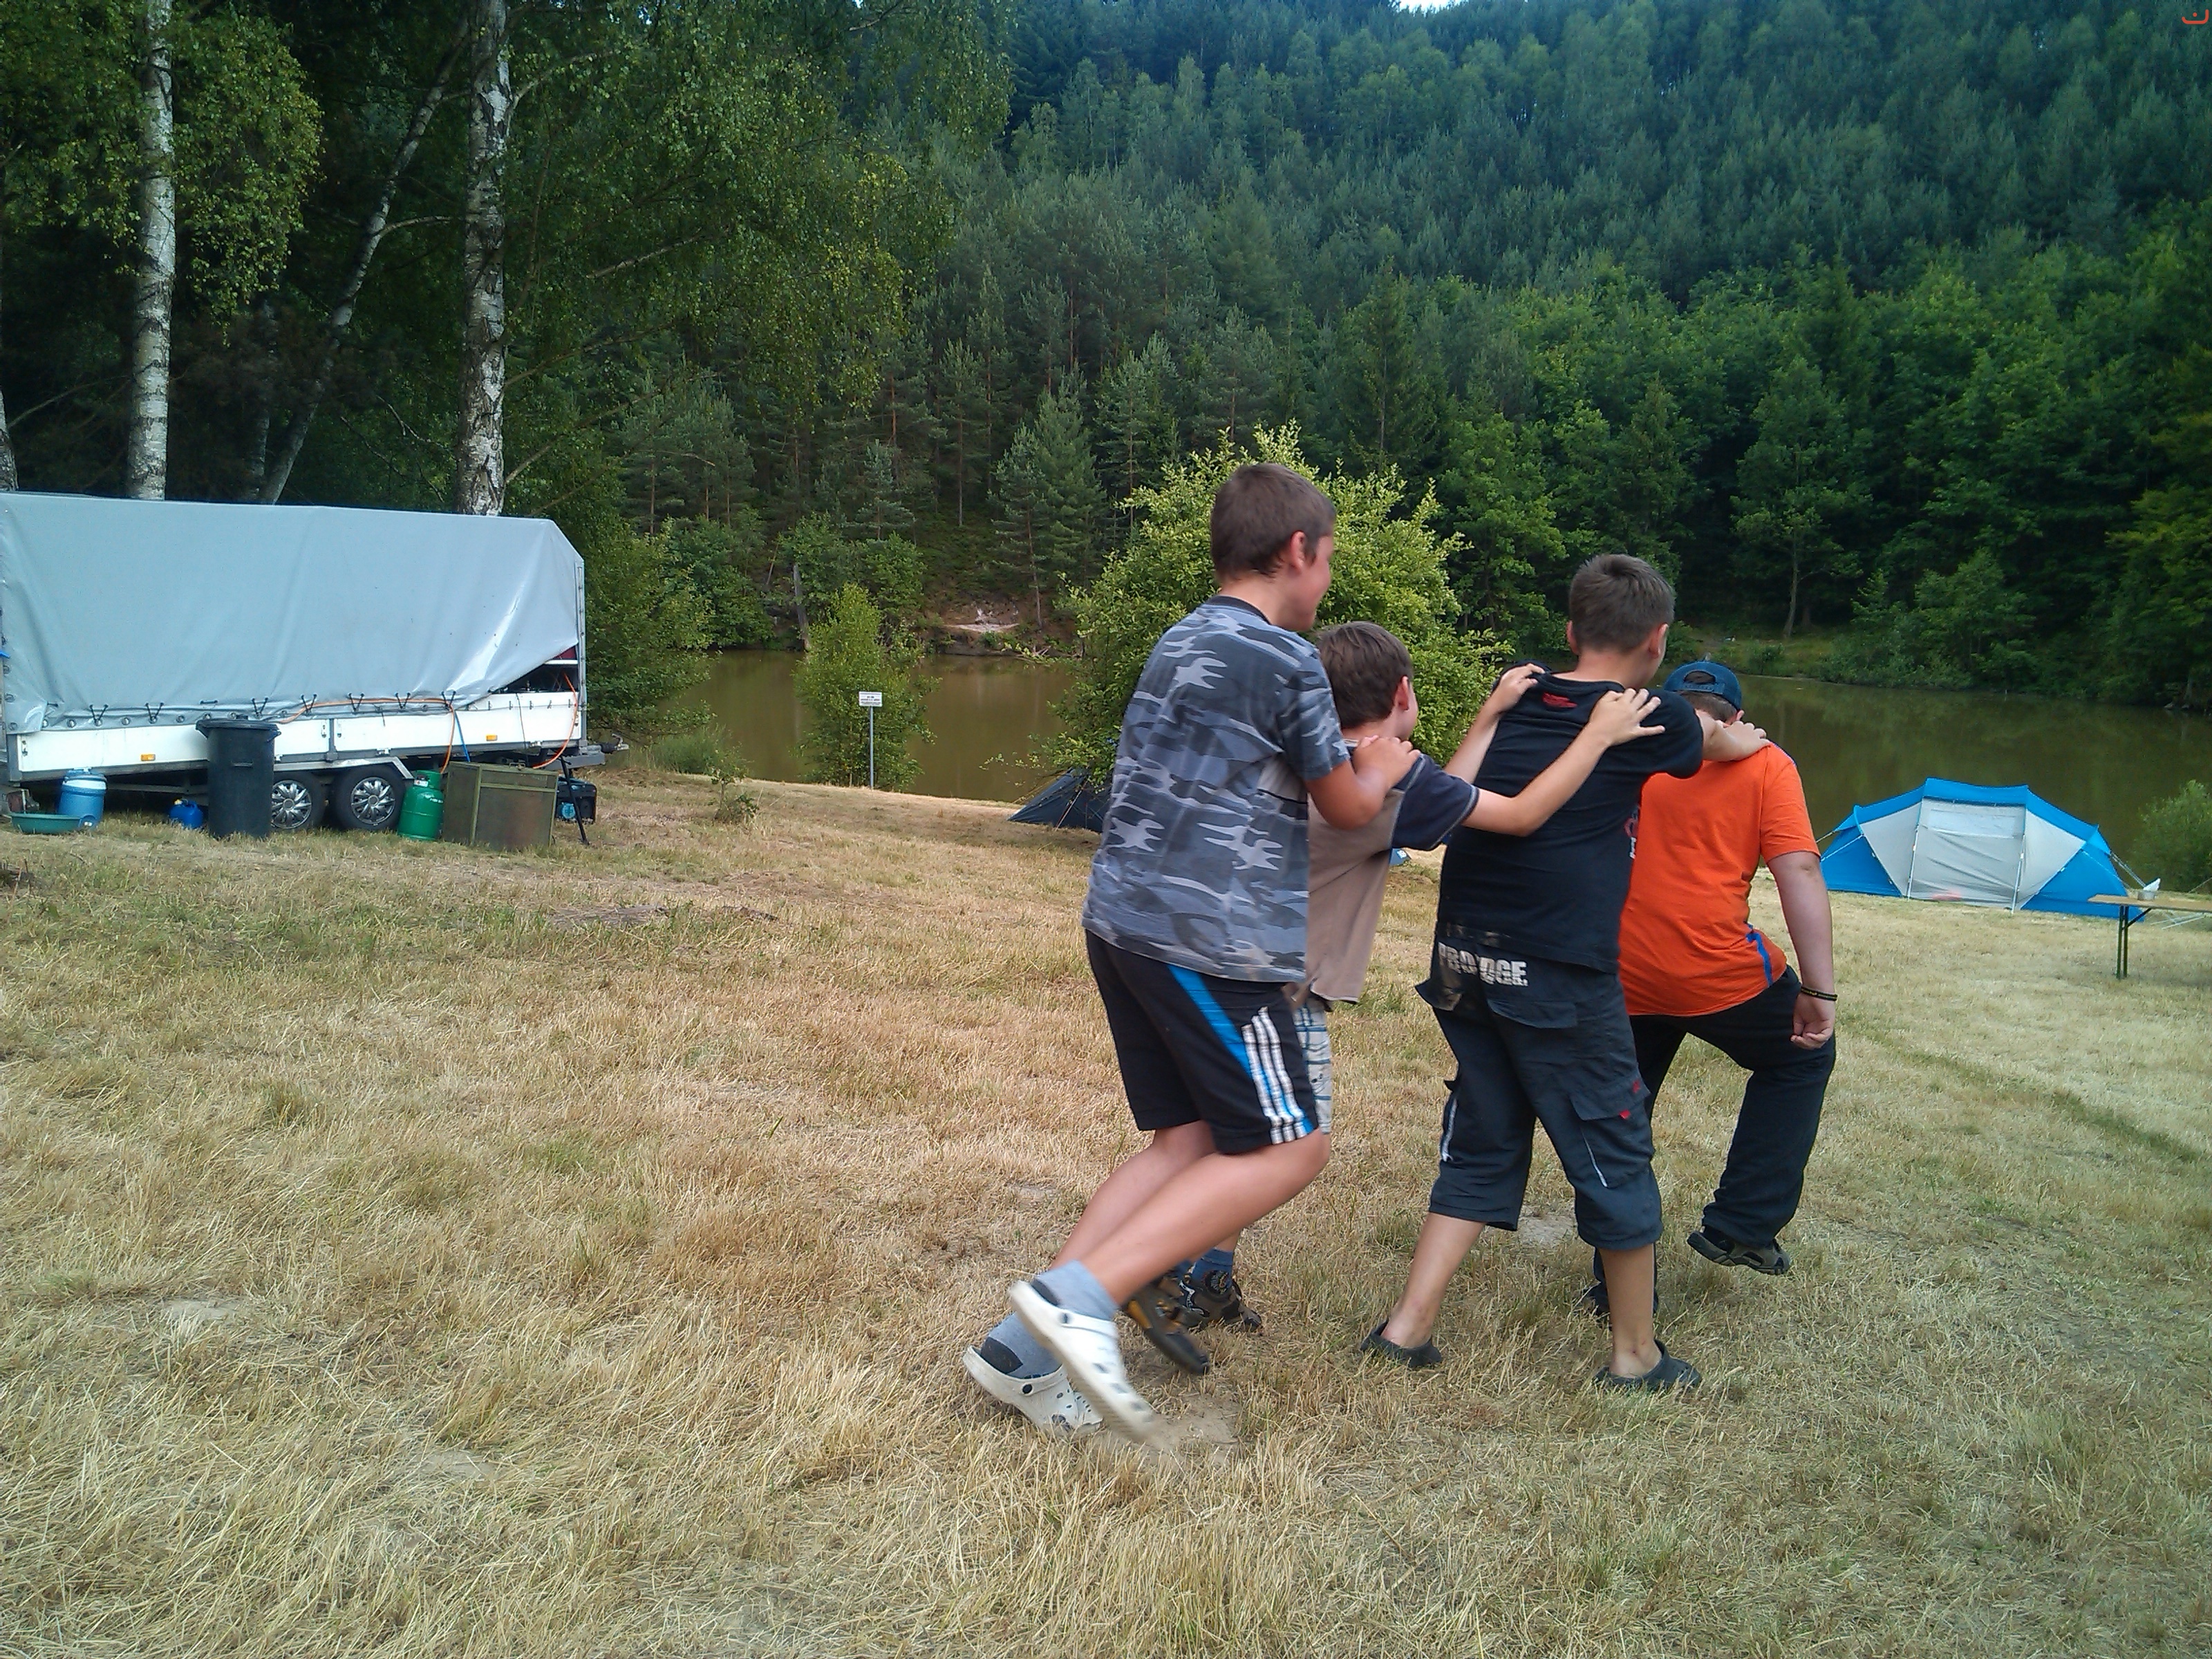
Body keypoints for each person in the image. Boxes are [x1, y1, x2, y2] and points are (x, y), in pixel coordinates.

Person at [962, 462, 1418, 1441]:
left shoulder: (1179, 638)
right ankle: (1081, 1299)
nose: (1326, 579)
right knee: (1292, 1145)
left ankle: (1021, 1351)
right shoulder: (1288, 660)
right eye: (1328, 559)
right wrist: (1382, 760)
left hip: (1121, 924)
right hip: (1209, 941)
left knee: (1188, 1141)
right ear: (1298, 551)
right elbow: (1345, 807)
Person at [1127, 623, 1672, 1374]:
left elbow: (1442, 805)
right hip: (1281, 990)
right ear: (1404, 694)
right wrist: (1597, 735)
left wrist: (1489, 718)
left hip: (1216, 969)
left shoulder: (1316, 759)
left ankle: (1205, 1276)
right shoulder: (1383, 779)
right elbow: (1516, 814)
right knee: (1277, 1148)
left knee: (1238, 1136)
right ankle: (1156, 1266)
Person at [1366, 553, 1765, 1393]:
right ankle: (1634, 1355)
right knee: (1612, 1139)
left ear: (1570, 630)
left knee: (1484, 1128)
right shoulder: (1649, 714)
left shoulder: (1518, 694)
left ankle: (1406, 1328)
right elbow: (1707, 741)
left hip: (1461, 957)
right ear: (1657, 640)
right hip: (1553, 969)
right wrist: (1744, 739)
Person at [1608, 659, 1835, 1291]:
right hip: (1717, 974)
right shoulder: (1767, 763)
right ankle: (1743, 1224)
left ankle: (1617, 1285)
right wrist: (1818, 990)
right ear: (1739, 718)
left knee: (1620, 1116)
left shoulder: (1625, 745)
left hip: (1616, 970)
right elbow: (1799, 871)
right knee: (1800, 1056)